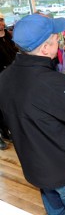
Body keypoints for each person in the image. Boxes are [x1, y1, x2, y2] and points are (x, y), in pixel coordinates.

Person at [0, 13, 65, 214]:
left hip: (36, 170)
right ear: (45, 48)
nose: (59, 39)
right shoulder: (55, 84)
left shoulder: (4, 78)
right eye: (55, 38)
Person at [0, 13, 18, 150]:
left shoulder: (9, 35)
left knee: (9, 106)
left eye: (2, 20)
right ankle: (1, 134)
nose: (1, 22)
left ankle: (8, 131)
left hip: (12, 75)